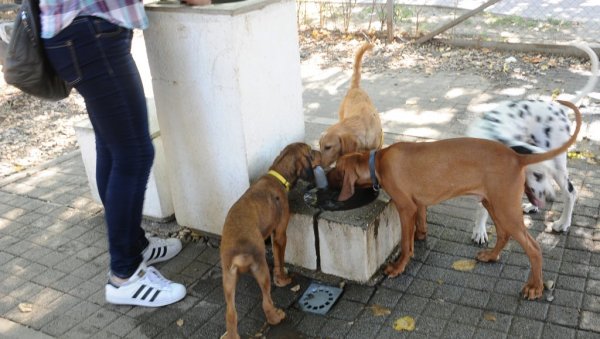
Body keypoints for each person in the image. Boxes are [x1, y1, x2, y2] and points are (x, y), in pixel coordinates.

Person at [39, 0, 188, 307]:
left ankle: (134, 246)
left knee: (112, 145)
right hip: (88, 31)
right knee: (134, 154)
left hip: (80, 31)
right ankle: (125, 276)